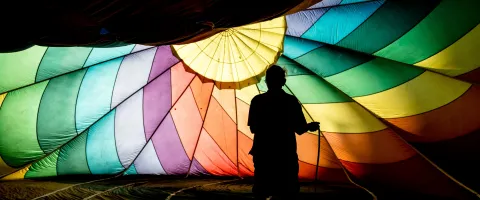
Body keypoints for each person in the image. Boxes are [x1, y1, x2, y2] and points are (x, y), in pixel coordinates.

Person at [248, 65, 320, 200]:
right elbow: (299, 129)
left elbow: (253, 128)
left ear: (266, 81)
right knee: (287, 191)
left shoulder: (257, 101)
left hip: (263, 151)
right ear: (283, 82)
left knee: (261, 190)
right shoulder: (291, 101)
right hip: (285, 153)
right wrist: (310, 126)